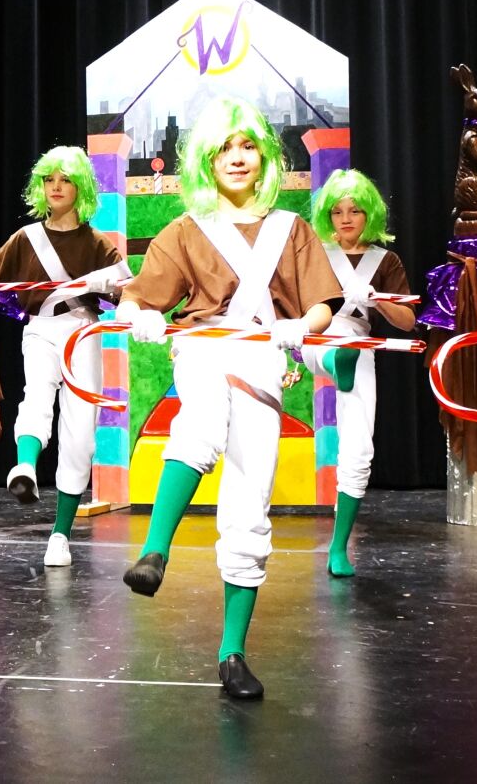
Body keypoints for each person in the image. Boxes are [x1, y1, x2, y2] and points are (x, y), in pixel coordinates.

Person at [115, 100, 342, 700]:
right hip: (203, 350)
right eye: (224, 149)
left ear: (264, 157)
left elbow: (322, 303)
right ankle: (154, 552)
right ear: (206, 162)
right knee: (202, 424)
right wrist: (137, 316)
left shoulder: (292, 230)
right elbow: (137, 299)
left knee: (249, 508)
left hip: (264, 361)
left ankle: (232, 653)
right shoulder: (187, 229)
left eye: (247, 147)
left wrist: (304, 326)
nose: (237, 158)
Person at [0, 146, 128, 567]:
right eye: (48, 179)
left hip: (84, 332)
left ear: (82, 187)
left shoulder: (97, 243)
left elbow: (124, 285)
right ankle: (24, 467)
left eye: (66, 179)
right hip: (40, 329)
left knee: (81, 432)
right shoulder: (27, 238)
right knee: (36, 397)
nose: (56, 187)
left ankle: (60, 533)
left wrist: (113, 288)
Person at [300, 169, 415, 577]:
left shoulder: (386, 260)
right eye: (337, 211)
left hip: (359, 343)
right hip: (314, 334)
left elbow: (406, 322)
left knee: (359, 447)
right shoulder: (314, 252)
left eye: (355, 211)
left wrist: (379, 301)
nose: (346, 219)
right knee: (319, 344)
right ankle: (331, 360)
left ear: (371, 215)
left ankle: (338, 547)